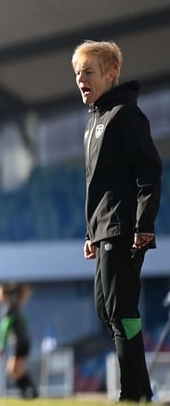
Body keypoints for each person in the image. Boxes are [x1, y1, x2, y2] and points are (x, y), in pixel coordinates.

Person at [72, 39, 162, 402]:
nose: (81, 78)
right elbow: (98, 185)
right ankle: (140, 390)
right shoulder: (95, 121)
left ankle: (134, 393)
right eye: (77, 73)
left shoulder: (125, 114)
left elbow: (149, 170)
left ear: (111, 75)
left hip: (124, 227)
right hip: (104, 229)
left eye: (88, 72)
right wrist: (91, 232)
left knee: (120, 308)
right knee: (106, 309)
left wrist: (143, 224)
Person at [0, 282, 38, 399]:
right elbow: (24, 322)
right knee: (15, 370)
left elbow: (4, 328)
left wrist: (0, 346)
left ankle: (30, 392)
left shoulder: (8, 309)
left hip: (19, 343)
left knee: (12, 370)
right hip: (24, 342)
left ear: (4, 294)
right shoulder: (15, 307)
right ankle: (29, 392)